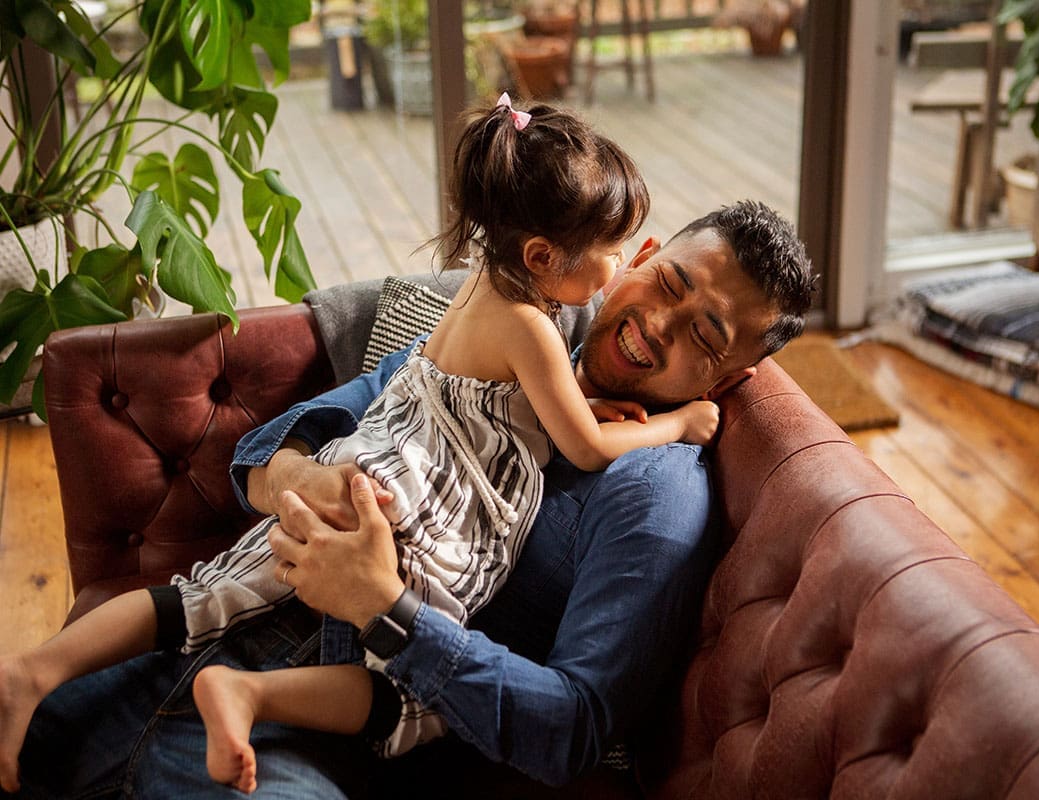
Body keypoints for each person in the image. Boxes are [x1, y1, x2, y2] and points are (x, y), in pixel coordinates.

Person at [0, 94, 722, 795]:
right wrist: (676, 424)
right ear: (542, 254)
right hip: (403, 509)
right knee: (399, 699)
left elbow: (571, 724)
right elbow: (587, 444)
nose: (624, 263)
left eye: (706, 333)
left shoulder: (476, 292)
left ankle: (33, 671)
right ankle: (248, 694)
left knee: (192, 597)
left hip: (369, 472)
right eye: (622, 252)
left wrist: (315, 492)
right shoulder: (537, 331)